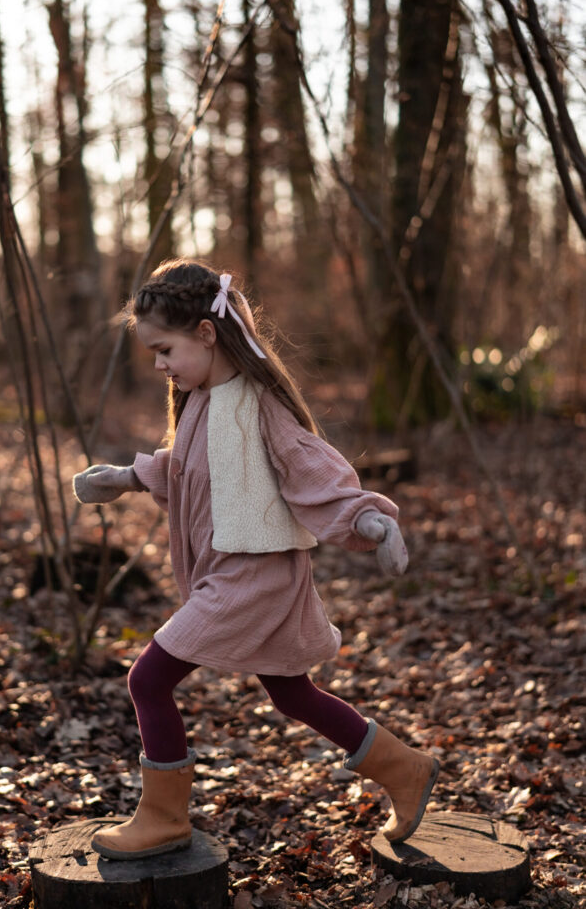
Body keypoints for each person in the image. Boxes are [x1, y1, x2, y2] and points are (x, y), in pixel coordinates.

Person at [73, 258, 439, 862]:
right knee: (293, 695)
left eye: (165, 349)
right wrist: (126, 475)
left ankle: (164, 817)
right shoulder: (200, 402)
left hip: (254, 576)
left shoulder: (258, 404)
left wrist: (369, 519)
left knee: (149, 678)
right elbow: (189, 469)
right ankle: (406, 769)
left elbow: (310, 467)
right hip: (228, 571)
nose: (160, 365)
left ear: (207, 334)